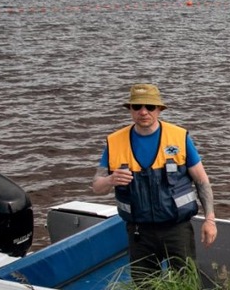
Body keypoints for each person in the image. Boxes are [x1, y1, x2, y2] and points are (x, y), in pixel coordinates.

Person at [91, 83, 217, 278]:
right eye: (137, 106)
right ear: (130, 110)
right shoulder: (115, 142)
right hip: (139, 233)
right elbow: (97, 187)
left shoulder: (179, 137)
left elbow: (201, 181)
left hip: (176, 229)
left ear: (159, 110)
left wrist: (210, 220)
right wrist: (110, 179)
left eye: (150, 107)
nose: (143, 112)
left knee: (187, 285)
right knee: (144, 289)